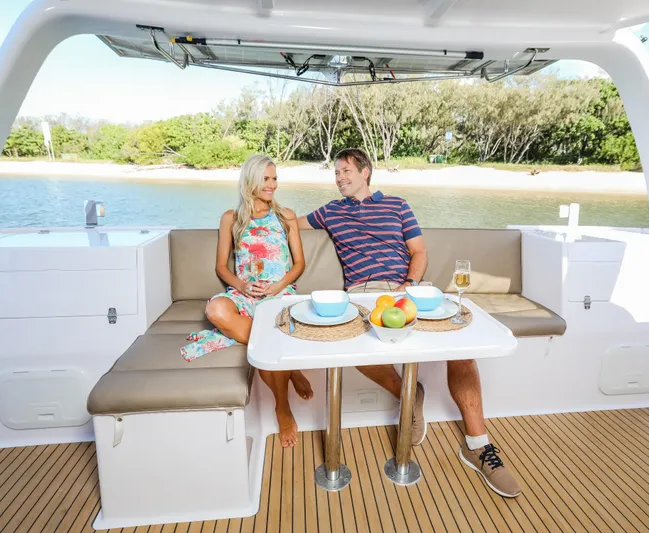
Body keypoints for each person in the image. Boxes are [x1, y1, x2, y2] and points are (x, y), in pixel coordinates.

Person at [298, 148, 521, 498]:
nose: (339, 178)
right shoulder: (330, 211)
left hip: (409, 290)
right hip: (363, 293)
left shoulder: (398, 205)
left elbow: (419, 251)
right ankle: (409, 393)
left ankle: (478, 446)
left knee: (461, 348)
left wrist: (411, 284)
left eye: (345, 171)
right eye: (336, 173)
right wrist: (254, 204)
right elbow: (288, 222)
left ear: (365, 172)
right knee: (353, 349)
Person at [182, 154, 312, 448]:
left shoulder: (285, 216)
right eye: (266, 179)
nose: (272, 185)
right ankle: (290, 370)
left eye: (275, 178)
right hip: (243, 293)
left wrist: (279, 285)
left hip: (279, 293)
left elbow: (299, 263)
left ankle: (282, 406)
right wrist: (241, 285)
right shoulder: (231, 218)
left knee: (265, 332)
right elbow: (221, 267)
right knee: (215, 309)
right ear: (250, 180)